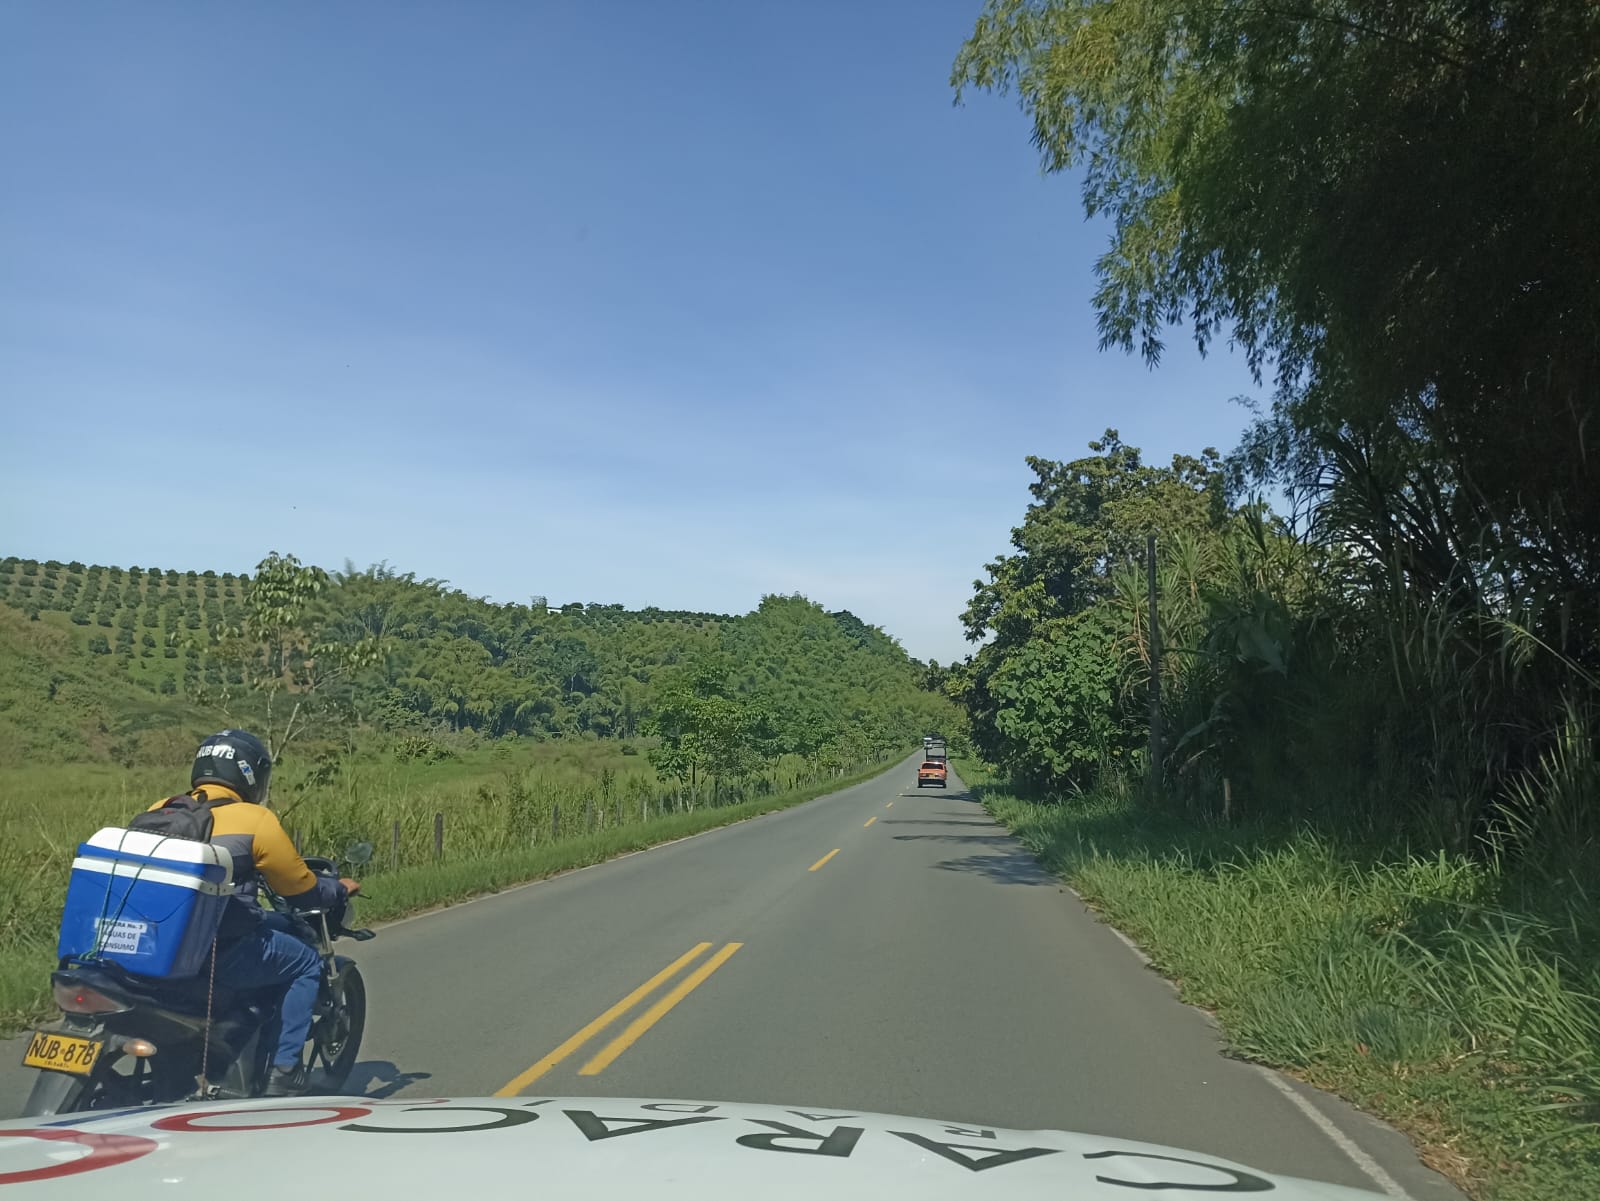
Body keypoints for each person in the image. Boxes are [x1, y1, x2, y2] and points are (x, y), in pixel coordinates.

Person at [150, 729, 360, 1096]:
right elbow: (299, 889)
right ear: (251, 774)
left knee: (266, 927)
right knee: (305, 963)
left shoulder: (161, 809)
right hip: (219, 953)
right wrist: (338, 888)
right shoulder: (254, 819)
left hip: (157, 946)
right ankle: (284, 1071)